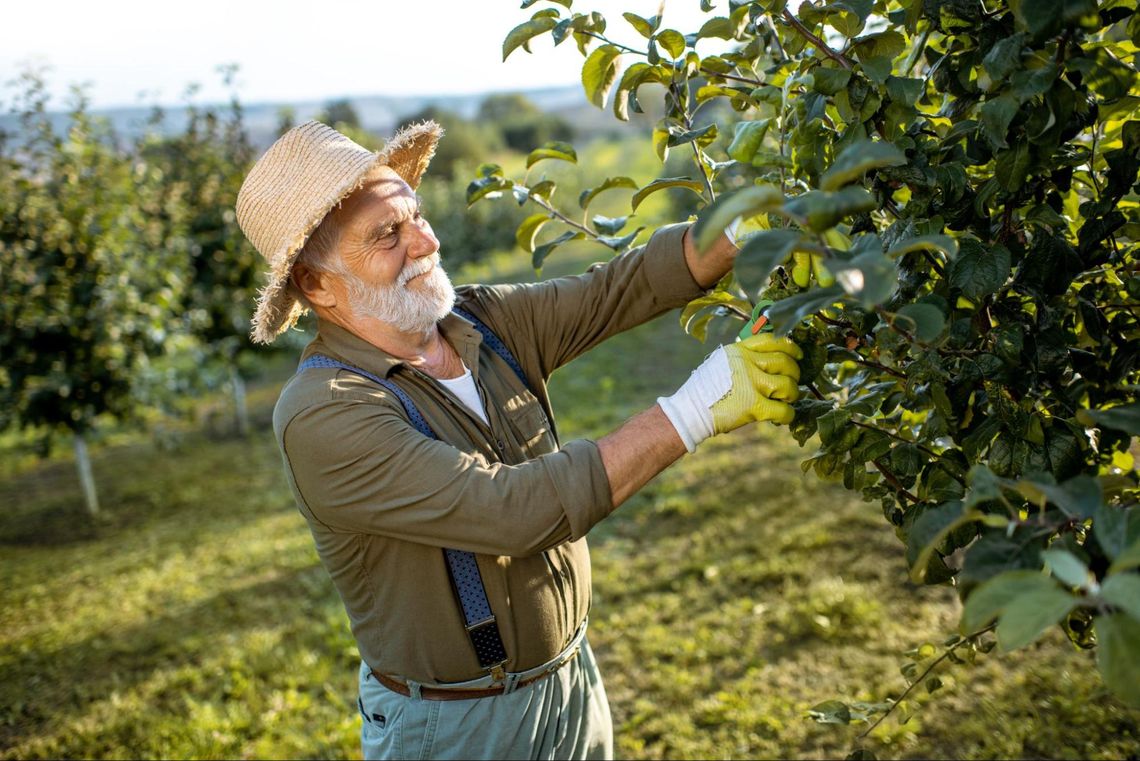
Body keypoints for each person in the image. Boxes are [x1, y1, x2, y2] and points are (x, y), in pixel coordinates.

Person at [235, 120, 802, 760]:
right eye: (387, 235)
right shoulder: (325, 415)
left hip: (571, 680)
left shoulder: (481, 323)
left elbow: (621, 289)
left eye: (415, 216)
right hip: (458, 728)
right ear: (316, 284)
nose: (425, 242)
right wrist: (700, 406)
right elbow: (513, 512)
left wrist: (737, 232)